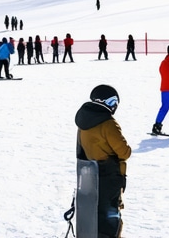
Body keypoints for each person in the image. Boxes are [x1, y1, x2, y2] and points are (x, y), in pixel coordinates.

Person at [75, 85, 131, 237]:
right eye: (112, 102)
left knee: (94, 215)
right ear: (102, 101)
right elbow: (124, 152)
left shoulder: (83, 123)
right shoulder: (108, 123)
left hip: (89, 177)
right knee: (110, 217)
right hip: (110, 177)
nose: (114, 106)